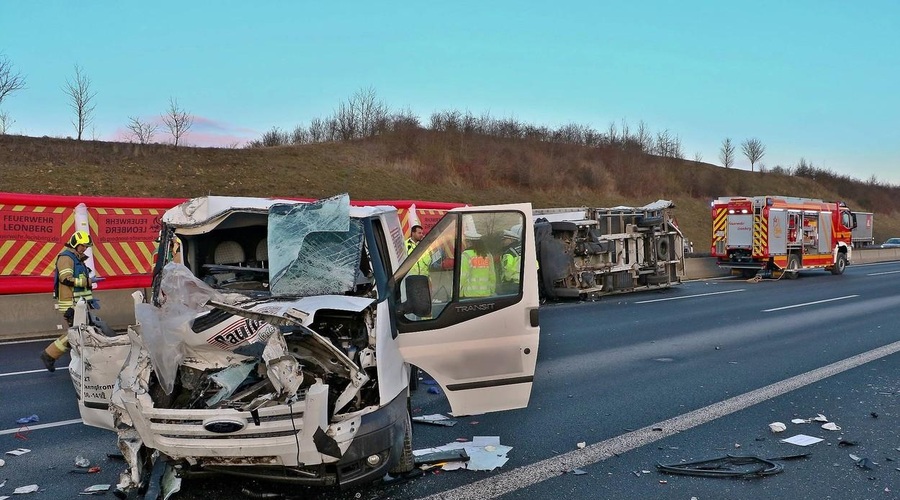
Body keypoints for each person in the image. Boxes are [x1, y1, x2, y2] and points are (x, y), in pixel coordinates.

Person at [40, 230, 94, 372]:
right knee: (77, 332)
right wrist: (87, 281)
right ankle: (49, 355)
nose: (85, 248)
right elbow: (66, 279)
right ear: (75, 244)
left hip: (78, 302)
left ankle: (81, 360)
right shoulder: (66, 258)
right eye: (83, 246)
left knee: (82, 330)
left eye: (86, 246)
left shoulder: (77, 258)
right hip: (70, 303)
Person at [459, 228, 496, 298]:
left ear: (470, 242)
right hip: (486, 293)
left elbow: (462, 276)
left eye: (466, 242)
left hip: (470, 294)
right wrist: (492, 291)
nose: (465, 244)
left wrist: (457, 294)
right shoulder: (488, 255)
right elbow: (492, 275)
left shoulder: (466, 255)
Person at [498, 224, 522, 295]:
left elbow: (507, 269)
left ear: (511, 240)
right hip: (525, 282)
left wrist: (506, 281)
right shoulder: (524, 249)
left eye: (504, 240)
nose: (502, 242)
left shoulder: (509, 252)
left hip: (512, 284)